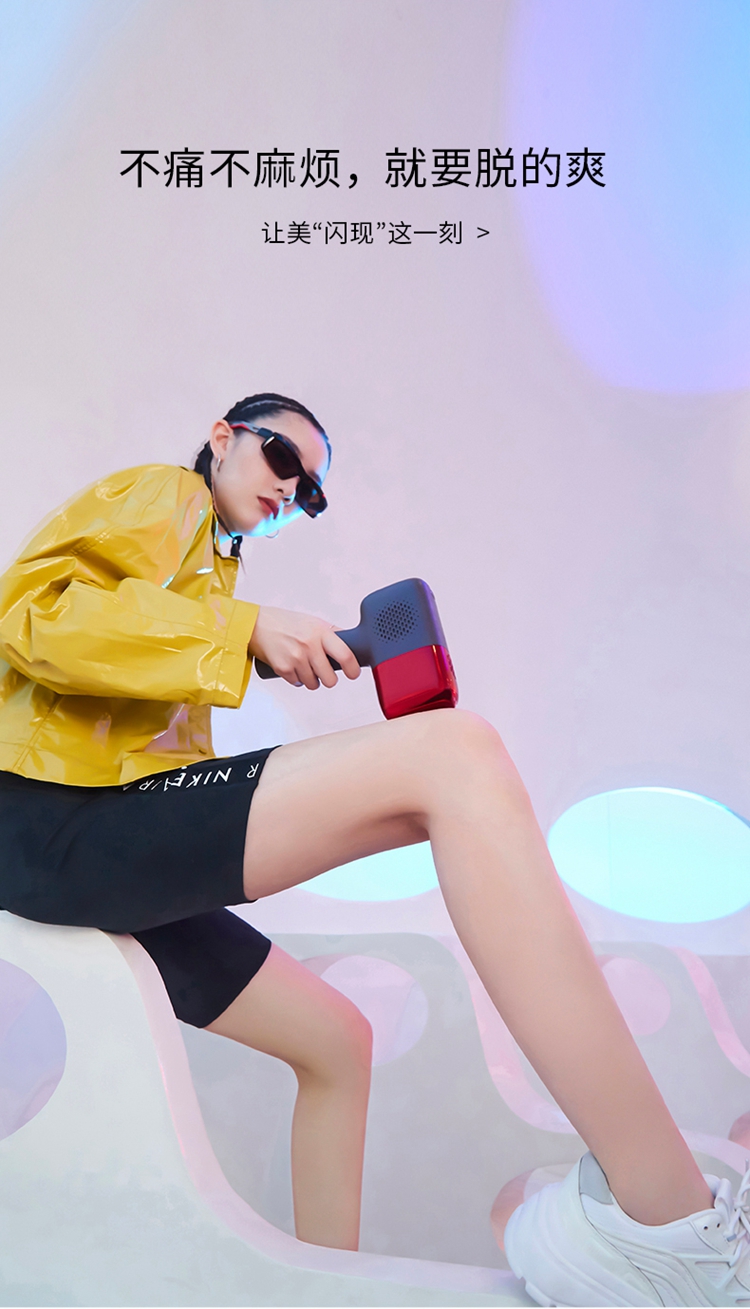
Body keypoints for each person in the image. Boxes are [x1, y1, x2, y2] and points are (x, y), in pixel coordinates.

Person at [0, 391, 746, 1305]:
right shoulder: (169, 495)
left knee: (337, 1039)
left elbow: (130, 692)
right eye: (283, 460)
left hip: (98, 839)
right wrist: (241, 629)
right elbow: (31, 613)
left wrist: (241, 638)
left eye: (309, 492)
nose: (292, 491)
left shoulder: (213, 565)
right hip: (51, 820)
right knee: (456, 752)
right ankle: (670, 1226)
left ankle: (332, 1294)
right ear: (222, 438)